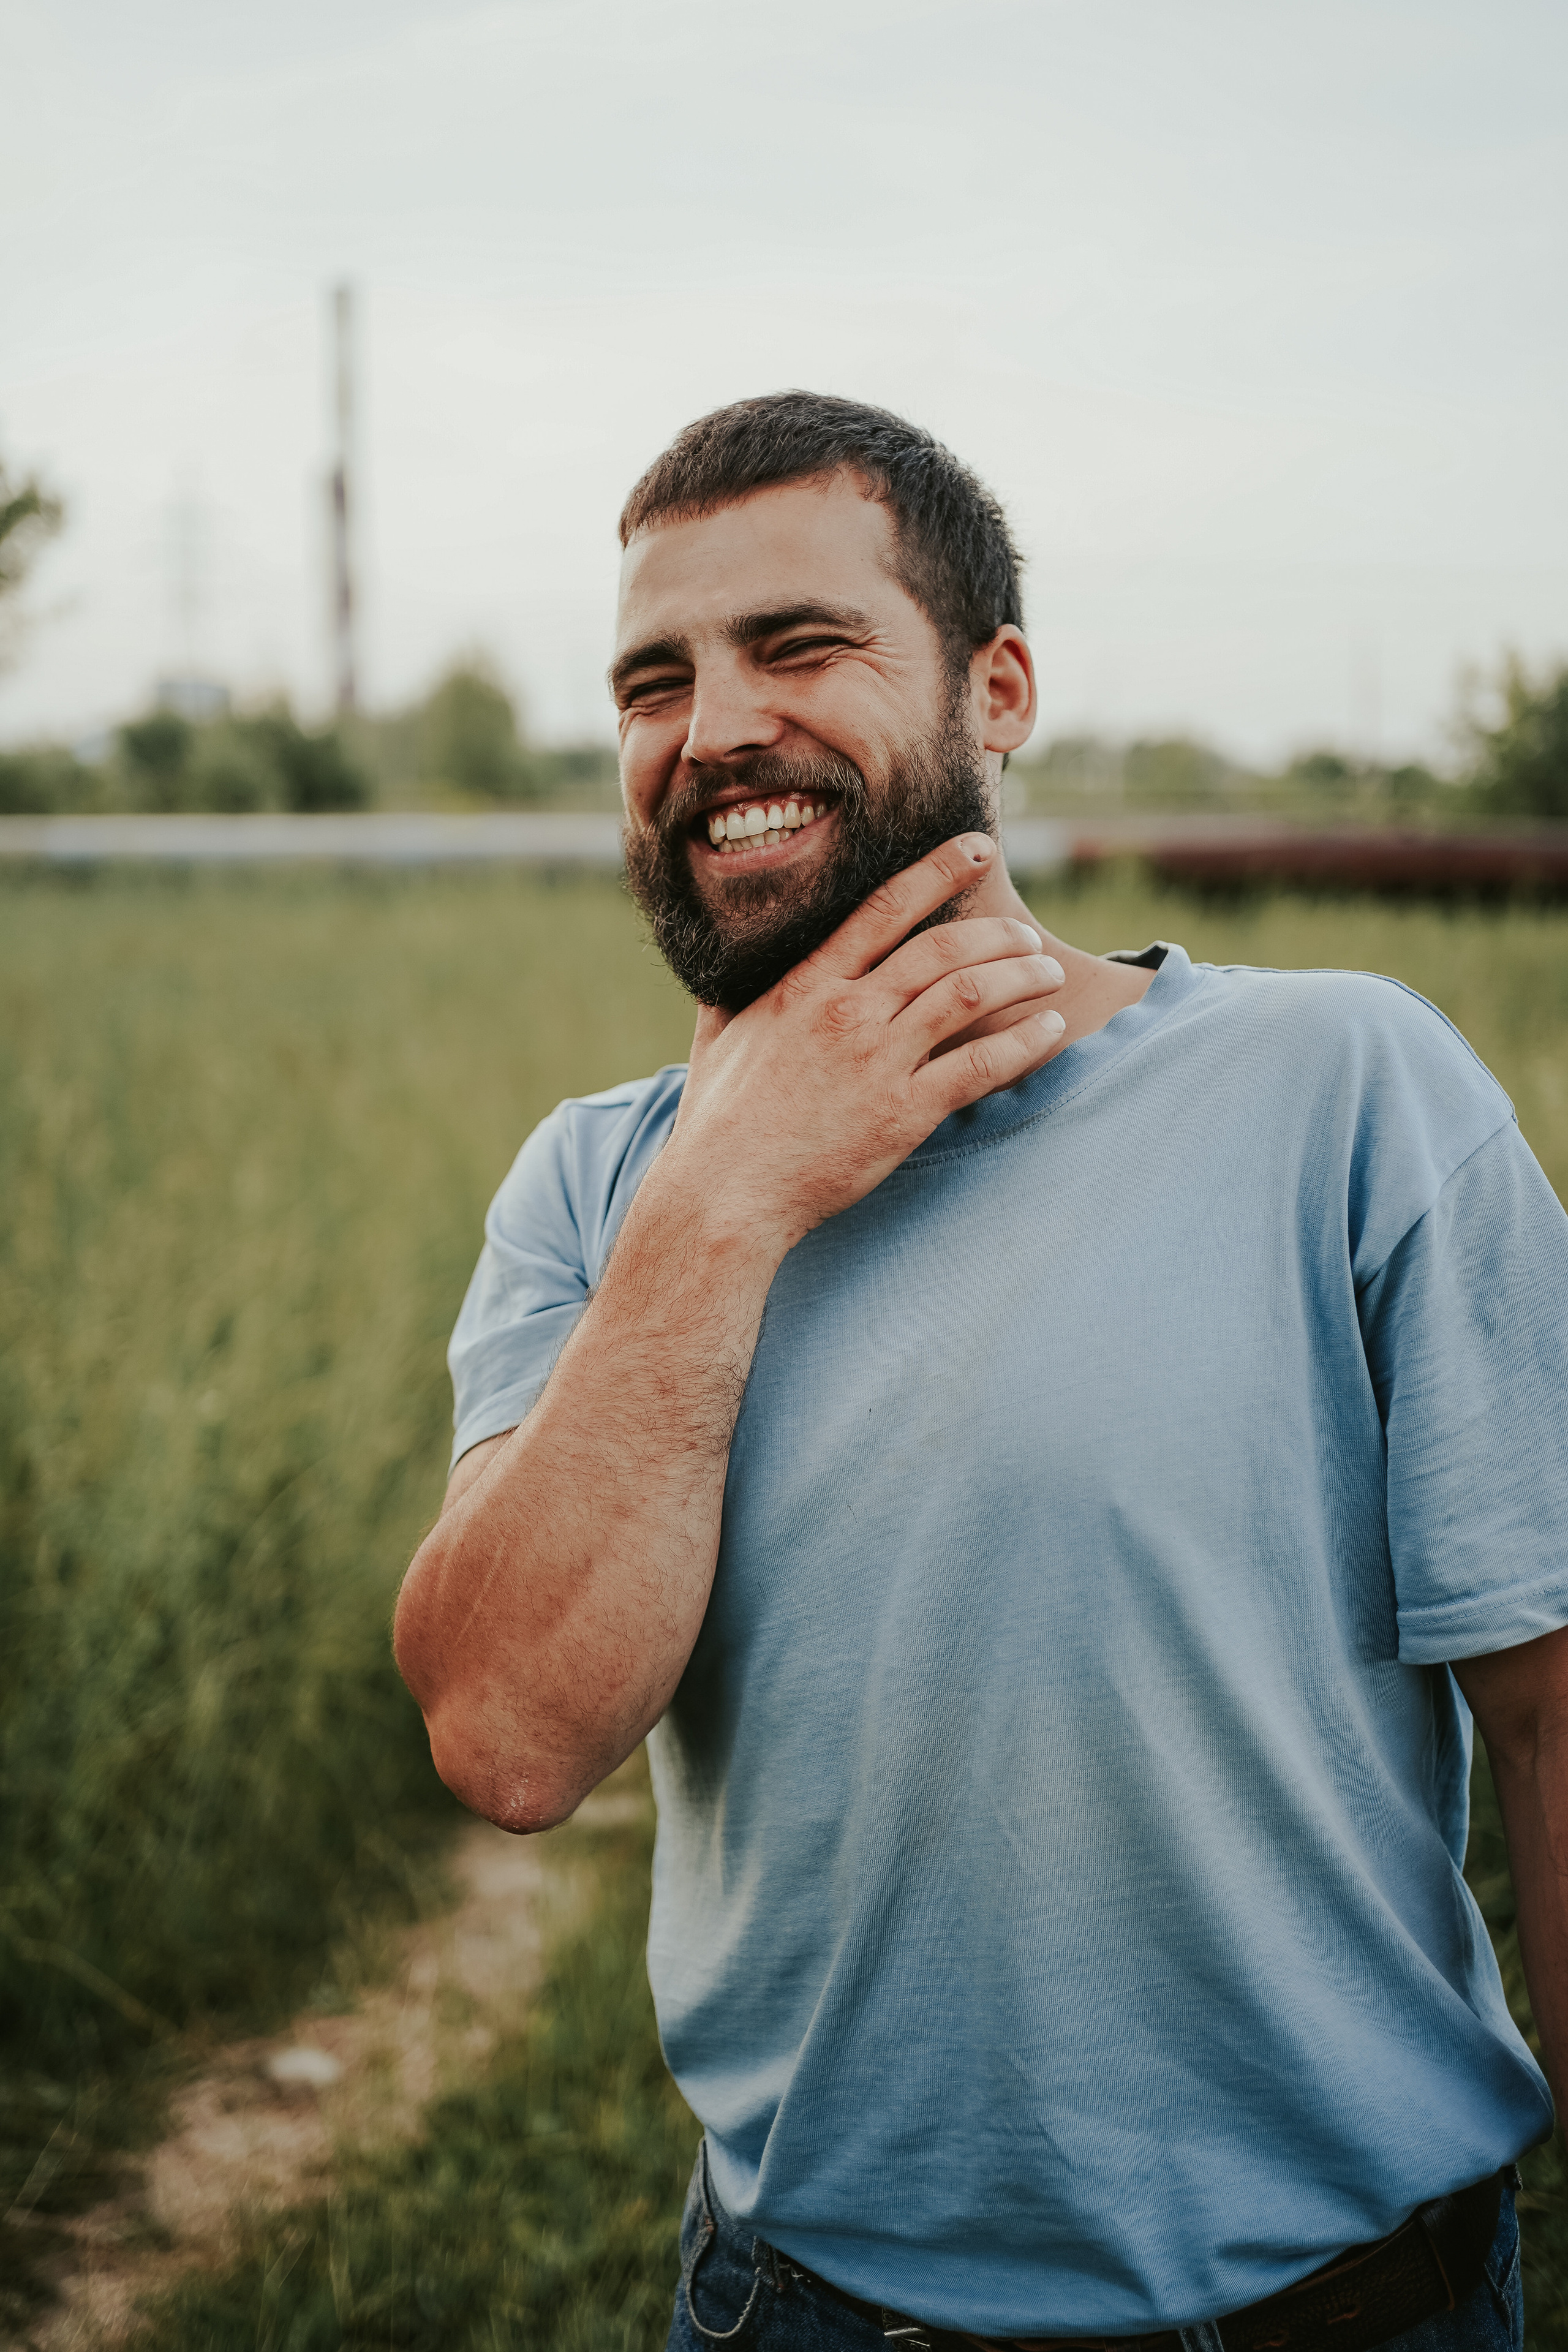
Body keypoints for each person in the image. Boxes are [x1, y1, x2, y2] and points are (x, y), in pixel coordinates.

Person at [392, 394, 1568, 2352]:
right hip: (807, 2311)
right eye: (652, 681)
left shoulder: (1347, 1092)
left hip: (1354, 2305)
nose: (714, 729)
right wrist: (734, 1191)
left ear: (998, 689)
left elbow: (1548, 1720)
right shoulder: (596, 1192)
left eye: (801, 646)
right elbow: (511, 1739)